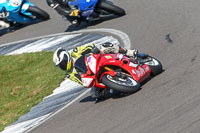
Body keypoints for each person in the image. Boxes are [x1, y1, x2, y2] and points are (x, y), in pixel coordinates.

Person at [53, 42, 139, 99]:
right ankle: (113, 85)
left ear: (66, 57)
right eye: (61, 66)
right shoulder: (70, 74)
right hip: (93, 75)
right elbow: (81, 82)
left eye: (63, 63)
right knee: (95, 95)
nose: (63, 66)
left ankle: (129, 53)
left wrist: (93, 50)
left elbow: (90, 46)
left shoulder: (75, 52)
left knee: (105, 46)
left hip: (98, 60)